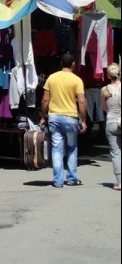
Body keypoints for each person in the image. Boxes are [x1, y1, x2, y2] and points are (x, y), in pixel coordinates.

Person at [40, 52, 87, 188]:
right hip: (71, 117)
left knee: (56, 149)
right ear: (73, 64)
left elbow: (45, 99)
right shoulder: (77, 80)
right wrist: (83, 120)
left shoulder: (52, 78)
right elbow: (82, 101)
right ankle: (72, 178)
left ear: (61, 63)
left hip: (54, 117)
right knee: (72, 148)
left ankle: (58, 181)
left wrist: (43, 116)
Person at [101, 62, 121, 191]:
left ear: (109, 75)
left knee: (115, 153)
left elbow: (104, 108)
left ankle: (119, 182)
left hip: (111, 123)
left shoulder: (104, 90)